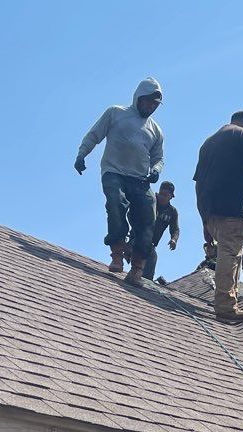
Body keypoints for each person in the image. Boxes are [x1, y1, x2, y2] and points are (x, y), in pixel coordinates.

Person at [75, 78, 164, 285]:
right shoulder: (116, 113)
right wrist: (82, 154)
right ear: (138, 98)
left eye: (155, 105)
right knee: (116, 202)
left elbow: (158, 157)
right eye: (148, 102)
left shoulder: (156, 130)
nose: (151, 107)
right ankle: (117, 252)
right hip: (114, 172)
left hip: (140, 179)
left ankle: (137, 267)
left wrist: (156, 170)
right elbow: (94, 134)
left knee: (147, 217)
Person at [193, 110, 243, 321]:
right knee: (231, 253)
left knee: (227, 252)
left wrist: (204, 220)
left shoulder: (207, 144)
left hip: (211, 210)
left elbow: (198, 184)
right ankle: (226, 306)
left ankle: (230, 299)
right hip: (234, 207)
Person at [141, 181, 180, 282]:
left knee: (151, 260)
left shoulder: (172, 212)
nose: (162, 197)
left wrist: (174, 239)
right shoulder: (150, 200)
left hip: (151, 245)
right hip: (138, 237)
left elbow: (175, 229)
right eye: (161, 194)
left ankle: (144, 285)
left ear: (171, 197)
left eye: (166, 195)